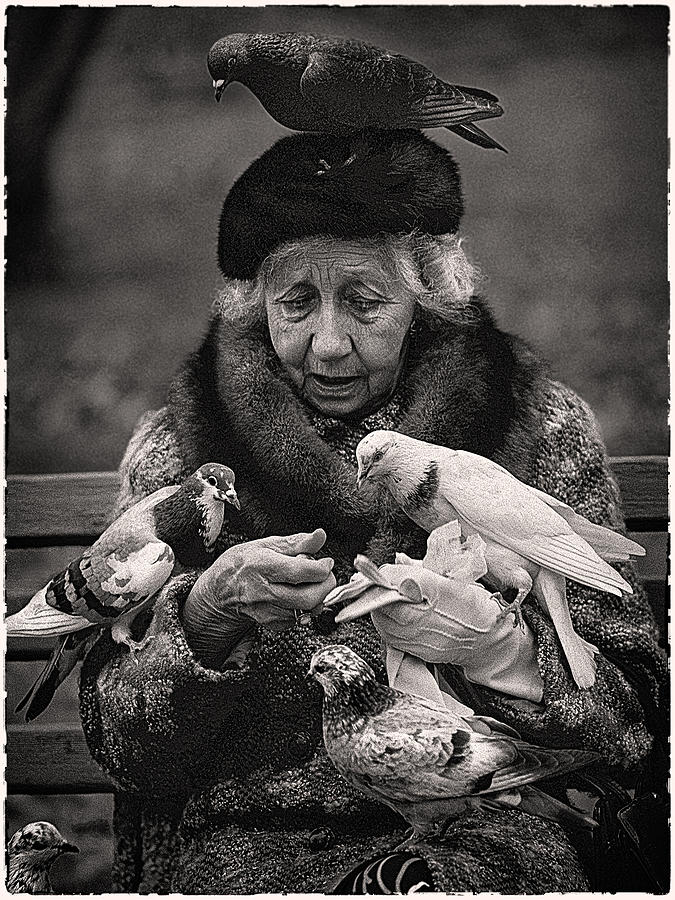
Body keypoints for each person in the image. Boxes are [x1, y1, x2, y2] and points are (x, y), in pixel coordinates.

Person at [78, 128, 665, 893]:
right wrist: (207, 617)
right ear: (254, 306)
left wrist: (497, 649)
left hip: (493, 828)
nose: (327, 343)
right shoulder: (184, 454)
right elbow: (122, 745)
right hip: (251, 840)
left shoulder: (533, 428)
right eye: (296, 302)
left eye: (363, 302)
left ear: (424, 300)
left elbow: (631, 728)